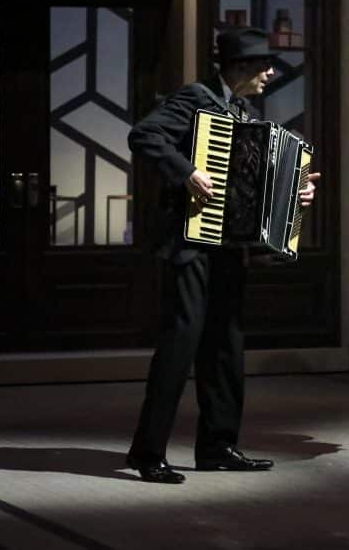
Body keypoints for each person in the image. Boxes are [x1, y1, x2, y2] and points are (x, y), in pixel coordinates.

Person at [125, 27, 319, 483]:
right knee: (181, 343)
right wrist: (187, 171)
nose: (271, 72)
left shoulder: (244, 113)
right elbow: (144, 136)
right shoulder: (195, 99)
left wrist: (296, 194)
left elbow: (256, 183)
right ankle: (147, 451)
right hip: (190, 243)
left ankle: (218, 445)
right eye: (263, 65)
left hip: (228, 245)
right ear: (240, 67)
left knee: (226, 346)